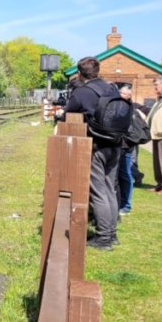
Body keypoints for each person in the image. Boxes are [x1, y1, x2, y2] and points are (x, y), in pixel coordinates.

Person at [61, 57, 121, 250]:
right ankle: (111, 233)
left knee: (98, 190)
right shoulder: (111, 88)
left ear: (80, 73)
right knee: (110, 188)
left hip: (97, 145)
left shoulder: (82, 92)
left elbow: (67, 114)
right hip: (116, 143)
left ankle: (104, 238)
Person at [116, 85, 136, 215]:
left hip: (126, 146)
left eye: (123, 93)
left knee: (125, 175)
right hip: (119, 145)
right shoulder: (118, 106)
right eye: (120, 93)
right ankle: (119, 203)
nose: (120, 95)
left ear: (129, 95)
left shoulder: (130, 108)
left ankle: (126, 205)